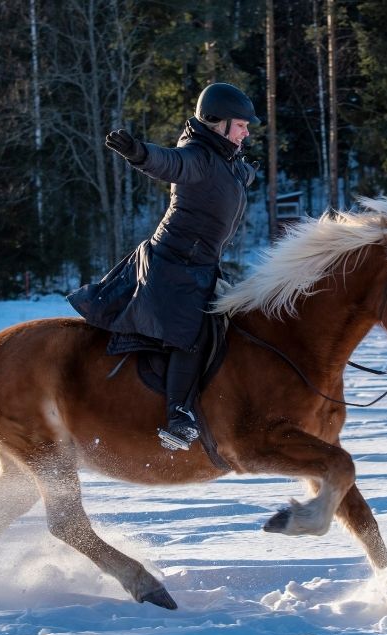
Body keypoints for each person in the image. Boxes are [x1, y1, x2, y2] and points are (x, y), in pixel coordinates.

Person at [67, 82, 258, 452]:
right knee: (192, 333)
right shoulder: (198, 156)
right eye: (241, 125)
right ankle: (178, 416)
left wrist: (247, 174)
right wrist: (139, 153)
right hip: (174, 267)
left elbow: (234, 178)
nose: (246, 131)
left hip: (201, 266)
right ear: (217, 124)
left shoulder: (227, 161)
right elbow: (170, 162)